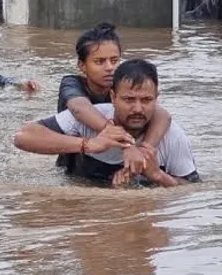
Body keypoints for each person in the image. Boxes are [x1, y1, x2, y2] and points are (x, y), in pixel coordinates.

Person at [14, 59, 201, 188]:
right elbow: (23, 136)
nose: (137, 109)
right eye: (128, 100)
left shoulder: (172, 136)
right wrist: (88, 145)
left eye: (146, 100)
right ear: (113, 97)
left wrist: (158, 176)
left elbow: (194, 191)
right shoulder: (91, 118)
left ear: (156, 99)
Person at [56, 23, 173, 178]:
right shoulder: (72, 84)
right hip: (76, 159)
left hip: (115, 157)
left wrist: (145, 150)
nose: (109, 67)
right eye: (100, 61)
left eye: (114, 60)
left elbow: (162, 114)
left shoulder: (123, 85)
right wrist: (122, 139)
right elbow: (79, 108)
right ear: (82, 66)